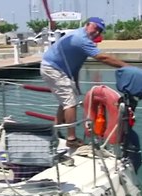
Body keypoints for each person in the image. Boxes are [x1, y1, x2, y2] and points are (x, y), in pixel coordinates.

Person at [40, 17, 129, 148]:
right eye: (95, 28)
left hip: (55, 68)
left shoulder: (81, 36)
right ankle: (71, 139)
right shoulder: (81, 39)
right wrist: (127, 67)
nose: (97, 32)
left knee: (64, 102)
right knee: (70, 103)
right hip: (54, 68)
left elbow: (75, 66)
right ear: (87, 25)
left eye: (100, 31)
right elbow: (102, 57)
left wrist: (75, 84)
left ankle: (55, 131)